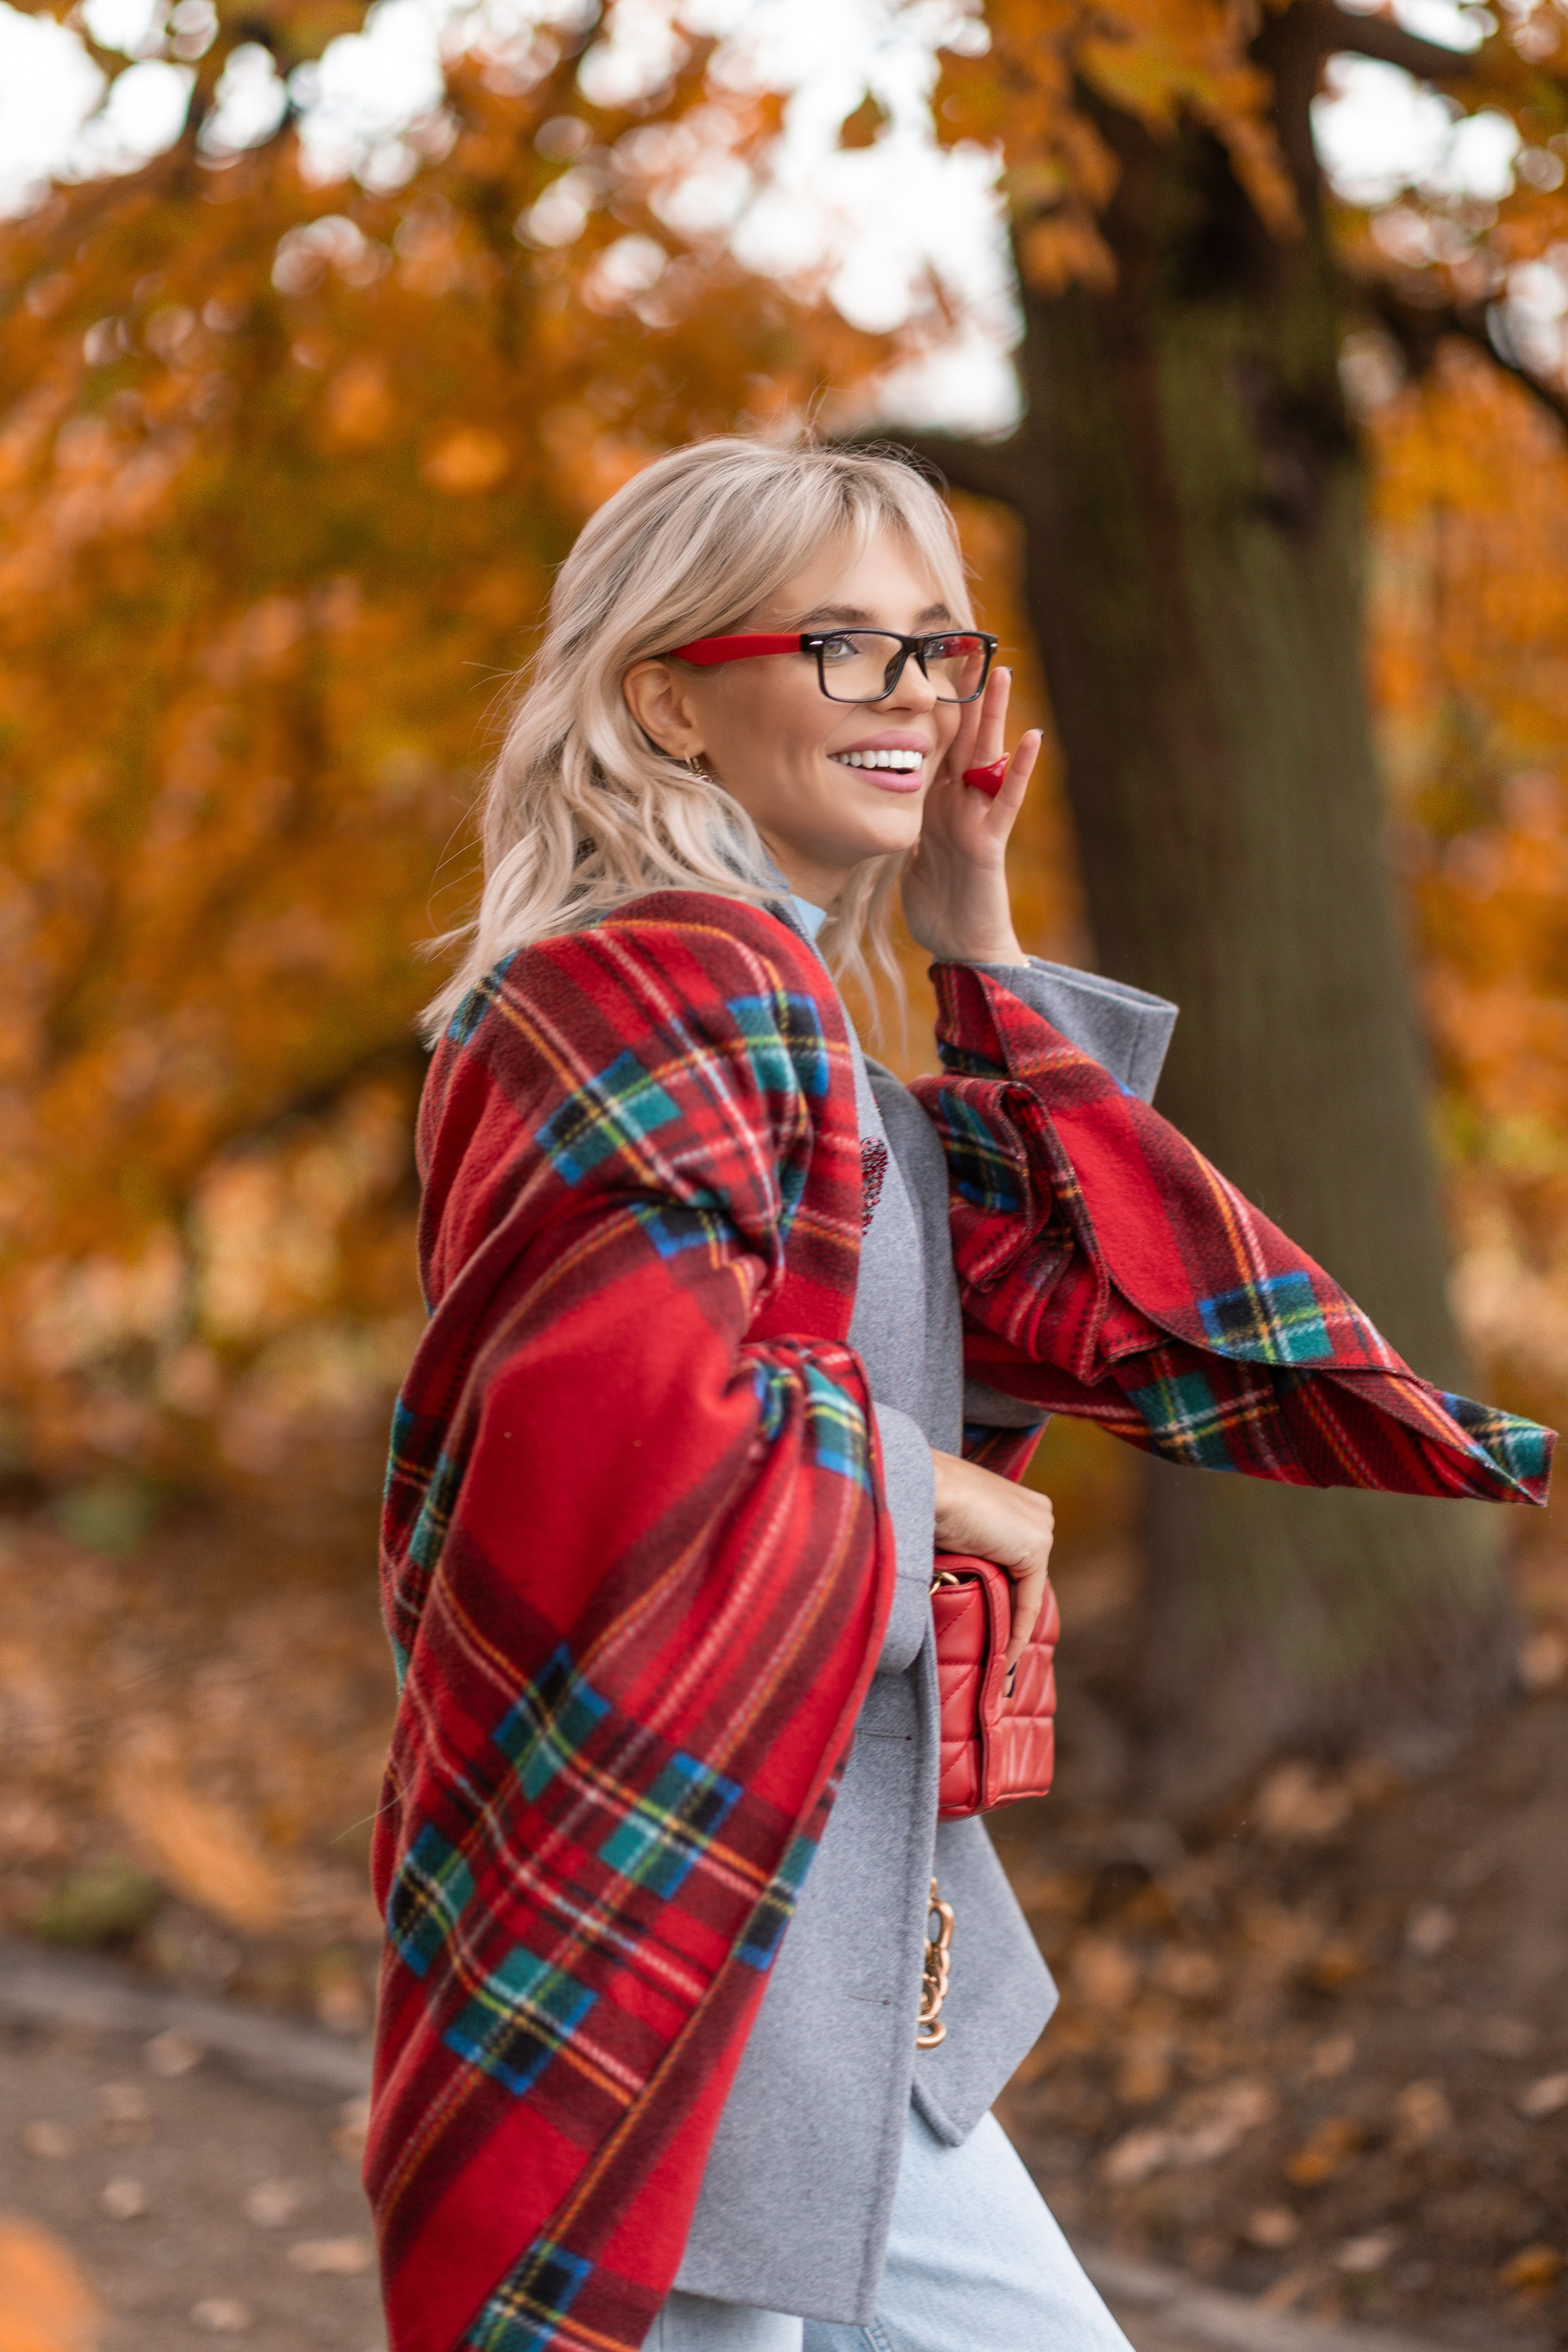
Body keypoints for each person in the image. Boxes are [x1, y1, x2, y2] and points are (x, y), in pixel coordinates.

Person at [367, 440, 1551, 2352]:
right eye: (847, 645)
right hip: (683, 1899)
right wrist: (934, 1494)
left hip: (797, 1908)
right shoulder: (646, 991)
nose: (918, 696)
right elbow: (600, 1451)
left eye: (937, 649)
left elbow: (1084, 1297)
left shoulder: (778, 1012)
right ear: (669, 693)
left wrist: (975, 941)